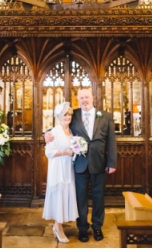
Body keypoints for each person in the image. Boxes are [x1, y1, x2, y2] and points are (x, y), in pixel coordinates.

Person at [45, 89, 117, 243]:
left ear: (93, 97)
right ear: (78, 99)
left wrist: (112, 162)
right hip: (80, 164)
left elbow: (111, 141)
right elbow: (59, 124)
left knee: (99, 197)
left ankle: (97, 227)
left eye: (87, 97)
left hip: (99, 162)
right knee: (81, 198)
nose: (84, 100)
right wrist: (46, 133)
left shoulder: (105, 116)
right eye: (81, 98)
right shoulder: (74, 114)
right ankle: (82, 228)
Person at [42, 101, 79, 244]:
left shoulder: (71, 131)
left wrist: (75, 151)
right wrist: (65, 152)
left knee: (65, 195)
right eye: (65, 114)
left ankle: (59, 224)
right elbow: (49, 152)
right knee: (58, 195)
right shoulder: (54, 132)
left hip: (68, 167)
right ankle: (58, 227)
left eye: (69, 114)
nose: (67, 117)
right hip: (58, 168)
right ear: (59, 116)